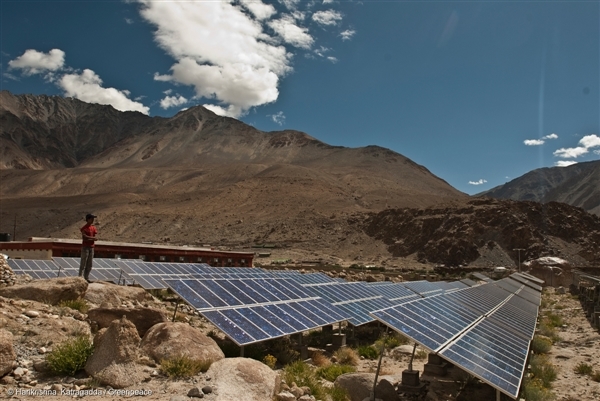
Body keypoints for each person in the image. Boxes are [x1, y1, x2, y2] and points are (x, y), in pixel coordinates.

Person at [79, 213, 98, 282]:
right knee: (83, 262)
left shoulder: (93, 228)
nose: (93, 220)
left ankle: (86, 277)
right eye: (92, 218)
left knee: (89, 264)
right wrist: (92, 238)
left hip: (91, 247)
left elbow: (94, 235)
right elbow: (84, 237)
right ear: (88, 219)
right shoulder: (84, 228)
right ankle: (80, 277)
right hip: (85, 247)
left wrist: (92, 238)